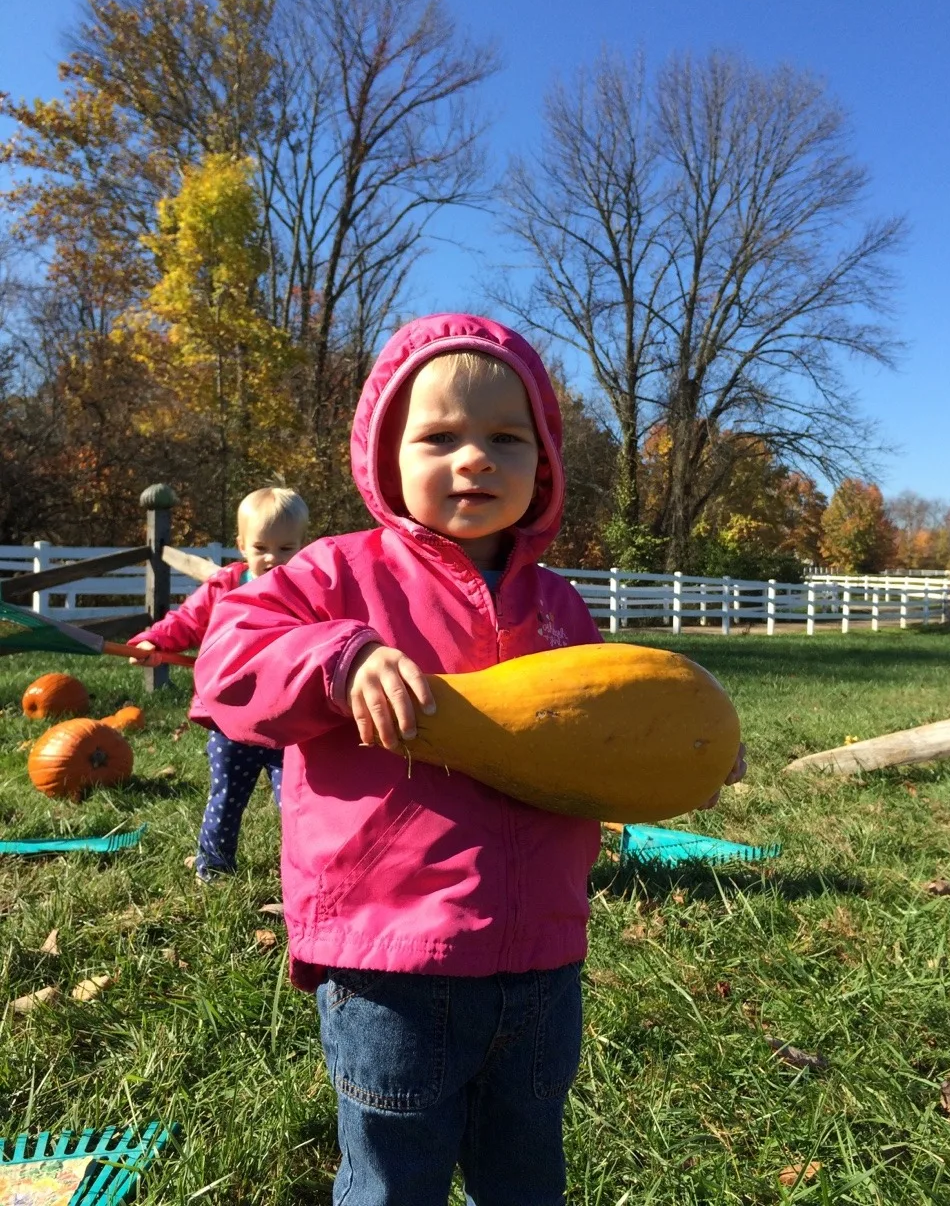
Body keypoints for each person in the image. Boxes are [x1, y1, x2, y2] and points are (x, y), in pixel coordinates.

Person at [194, 314, 744, 1205]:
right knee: (391, 1175)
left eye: (505, 438)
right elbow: (228, 662)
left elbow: (618, 726)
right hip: (389, 960)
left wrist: (694, 751)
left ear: (545, 463)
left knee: (525, 1169)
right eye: (440, 437)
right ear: (386, 458)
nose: (475, 459)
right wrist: (339, 658)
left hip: (542, 957)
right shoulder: (335, 575)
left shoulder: (561, 605)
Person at [130, 487, 309, 882]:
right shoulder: (227, 586)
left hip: (287, 719)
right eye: (261, 547)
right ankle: (213, 867)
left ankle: (303, 874)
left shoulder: (306, 588)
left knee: (297, 802)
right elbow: (188, 620)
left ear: (302, 546)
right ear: (242, 544)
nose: (272, 559)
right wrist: (155, 640)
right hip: (231, 717)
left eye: (286, 548)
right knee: (226, 795)